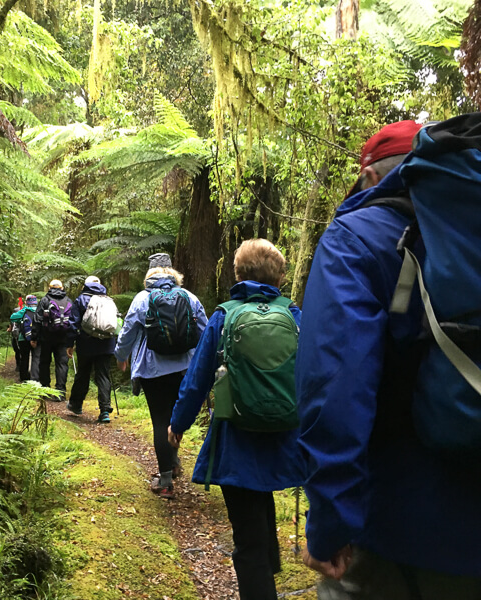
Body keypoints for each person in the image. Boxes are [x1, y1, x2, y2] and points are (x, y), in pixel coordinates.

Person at [296, 120, 481, 598]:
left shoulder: (356, 238)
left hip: (395, 527)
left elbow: (334, 386)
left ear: (372, 177)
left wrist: (331, 522)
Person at [168, 239, 305, 600]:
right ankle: (267, 565)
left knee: (247, 537)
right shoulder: (292, 314)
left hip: (236, 437)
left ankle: (260, 575)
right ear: (279, 276)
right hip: (284, 435)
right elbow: (315, 374)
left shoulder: (225, 315)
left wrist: (178, 424)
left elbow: (197, 379)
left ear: (238, 273)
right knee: (260, 503)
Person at [114, 263, 207, 499]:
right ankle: (173, 461)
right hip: (185, 368)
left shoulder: (142, 298)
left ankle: (165, 481)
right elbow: (204, 331)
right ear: (176, 278)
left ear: (148, 280)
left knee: (160, 420)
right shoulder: (189, 296)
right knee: (177, 416)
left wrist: (121, 356)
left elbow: (128, 331)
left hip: (153, 370)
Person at [66, 276, 115, 423]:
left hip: (86, 344)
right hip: (106, 344)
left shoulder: (81, 299)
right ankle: (105, 411)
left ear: (86, 285)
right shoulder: (108, 300)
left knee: (83, 374)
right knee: (103, 375)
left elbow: (73, 323)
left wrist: (70, 344)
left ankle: (76, 404)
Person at [35, 279, 72, 401]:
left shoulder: (45, 300)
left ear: (49, 288)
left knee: (44, 363)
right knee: (61, 364)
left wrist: (34, 337)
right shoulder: (68, 301)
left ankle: (45, 390)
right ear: (62, 288)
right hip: (63, 338)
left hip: (46, 338)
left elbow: (37, 319)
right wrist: (72, 340)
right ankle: (60, 392)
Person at [10, 295, 40, 382]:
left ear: (26, 302)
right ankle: (35, 378)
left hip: (23, 338)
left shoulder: (24, 310)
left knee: (24, 358)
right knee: (36, 357)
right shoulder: (40, 310)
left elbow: (12, 317)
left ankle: (24, 378)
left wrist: (20, 320)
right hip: (37, 338)